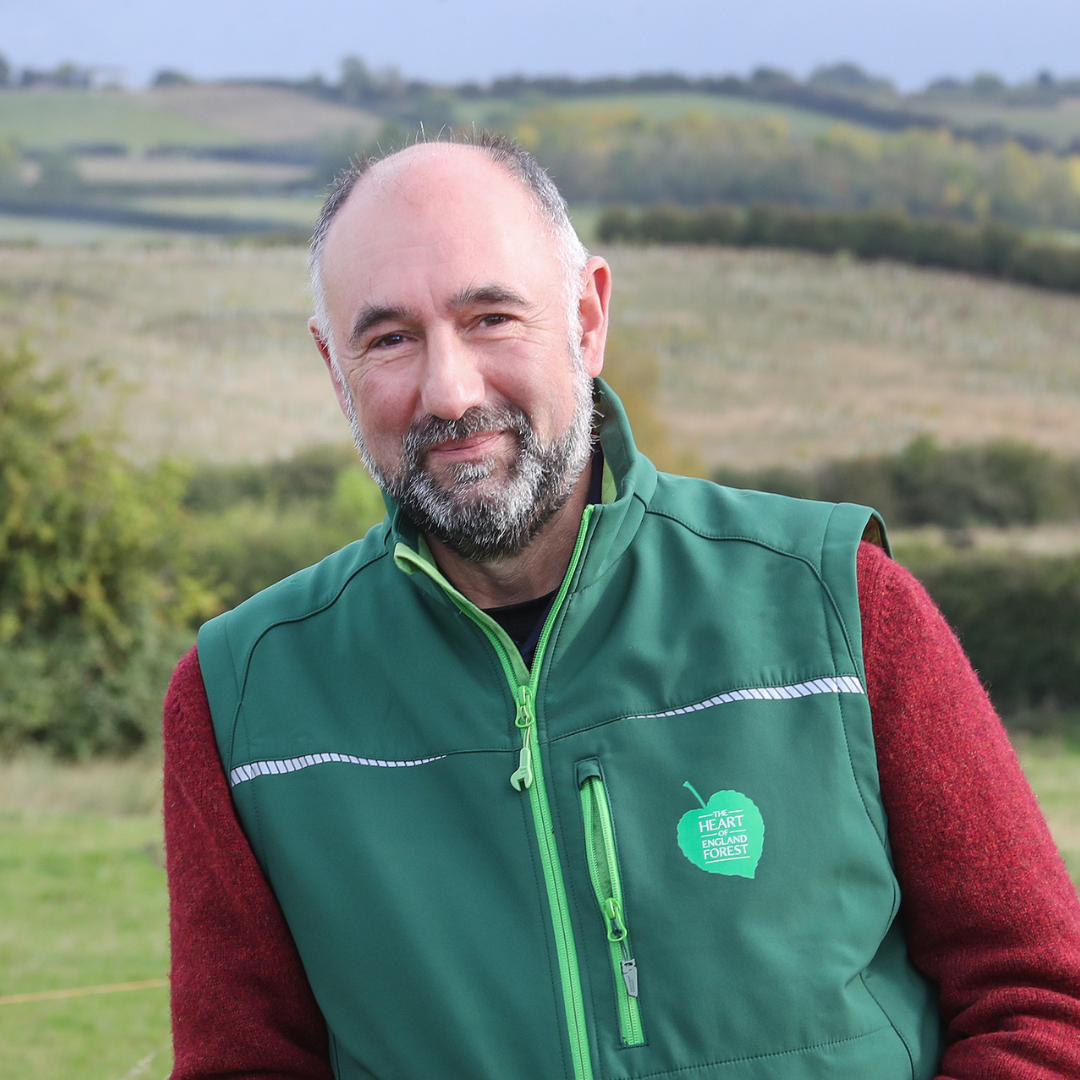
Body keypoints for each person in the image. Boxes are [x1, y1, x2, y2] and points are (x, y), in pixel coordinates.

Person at [164, 134, 1080, 1080]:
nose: (448, 389)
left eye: (490, 317)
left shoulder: (837, 601)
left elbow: (1042, 1001)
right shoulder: (242, 699)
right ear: (333, 366)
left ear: (588, 317)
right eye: (390, 337)